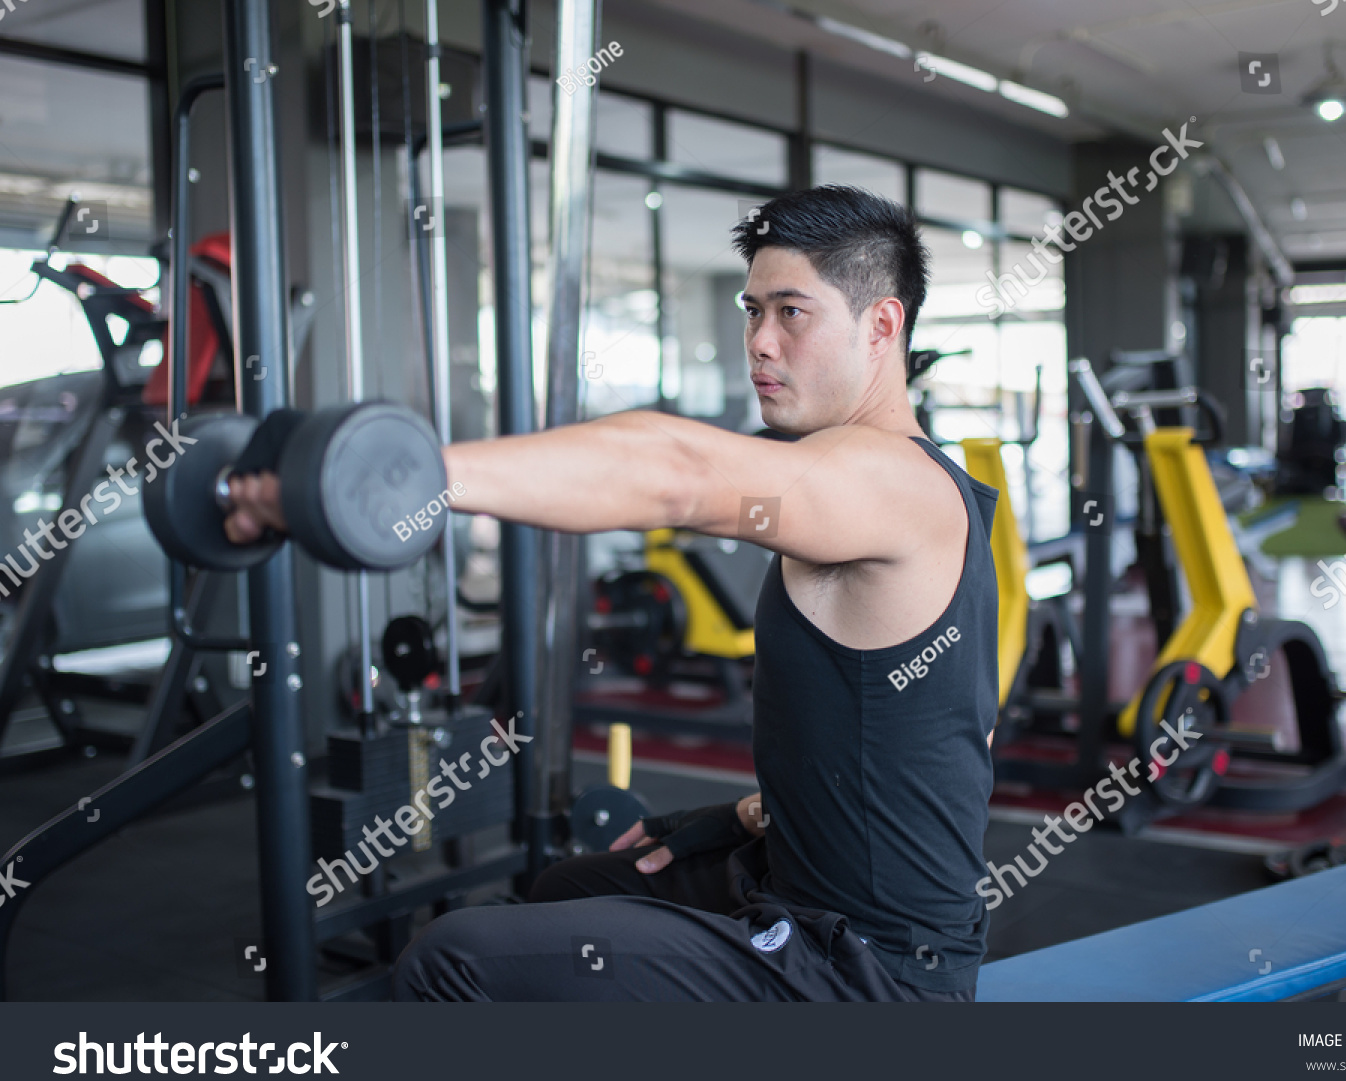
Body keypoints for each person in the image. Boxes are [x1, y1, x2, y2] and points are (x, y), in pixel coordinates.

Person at [224, 185, 1000, 1001]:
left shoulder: (891, 480)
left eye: (792, 313)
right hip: (803, 886)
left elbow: (678, 475)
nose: (760, 342)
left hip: (869, 972)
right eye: (751, 310)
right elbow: (944, 733)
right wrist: (752, 814)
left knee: (451, 959)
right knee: (575, 888)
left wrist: (397, 480)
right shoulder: (864, 482)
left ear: (882, 326)